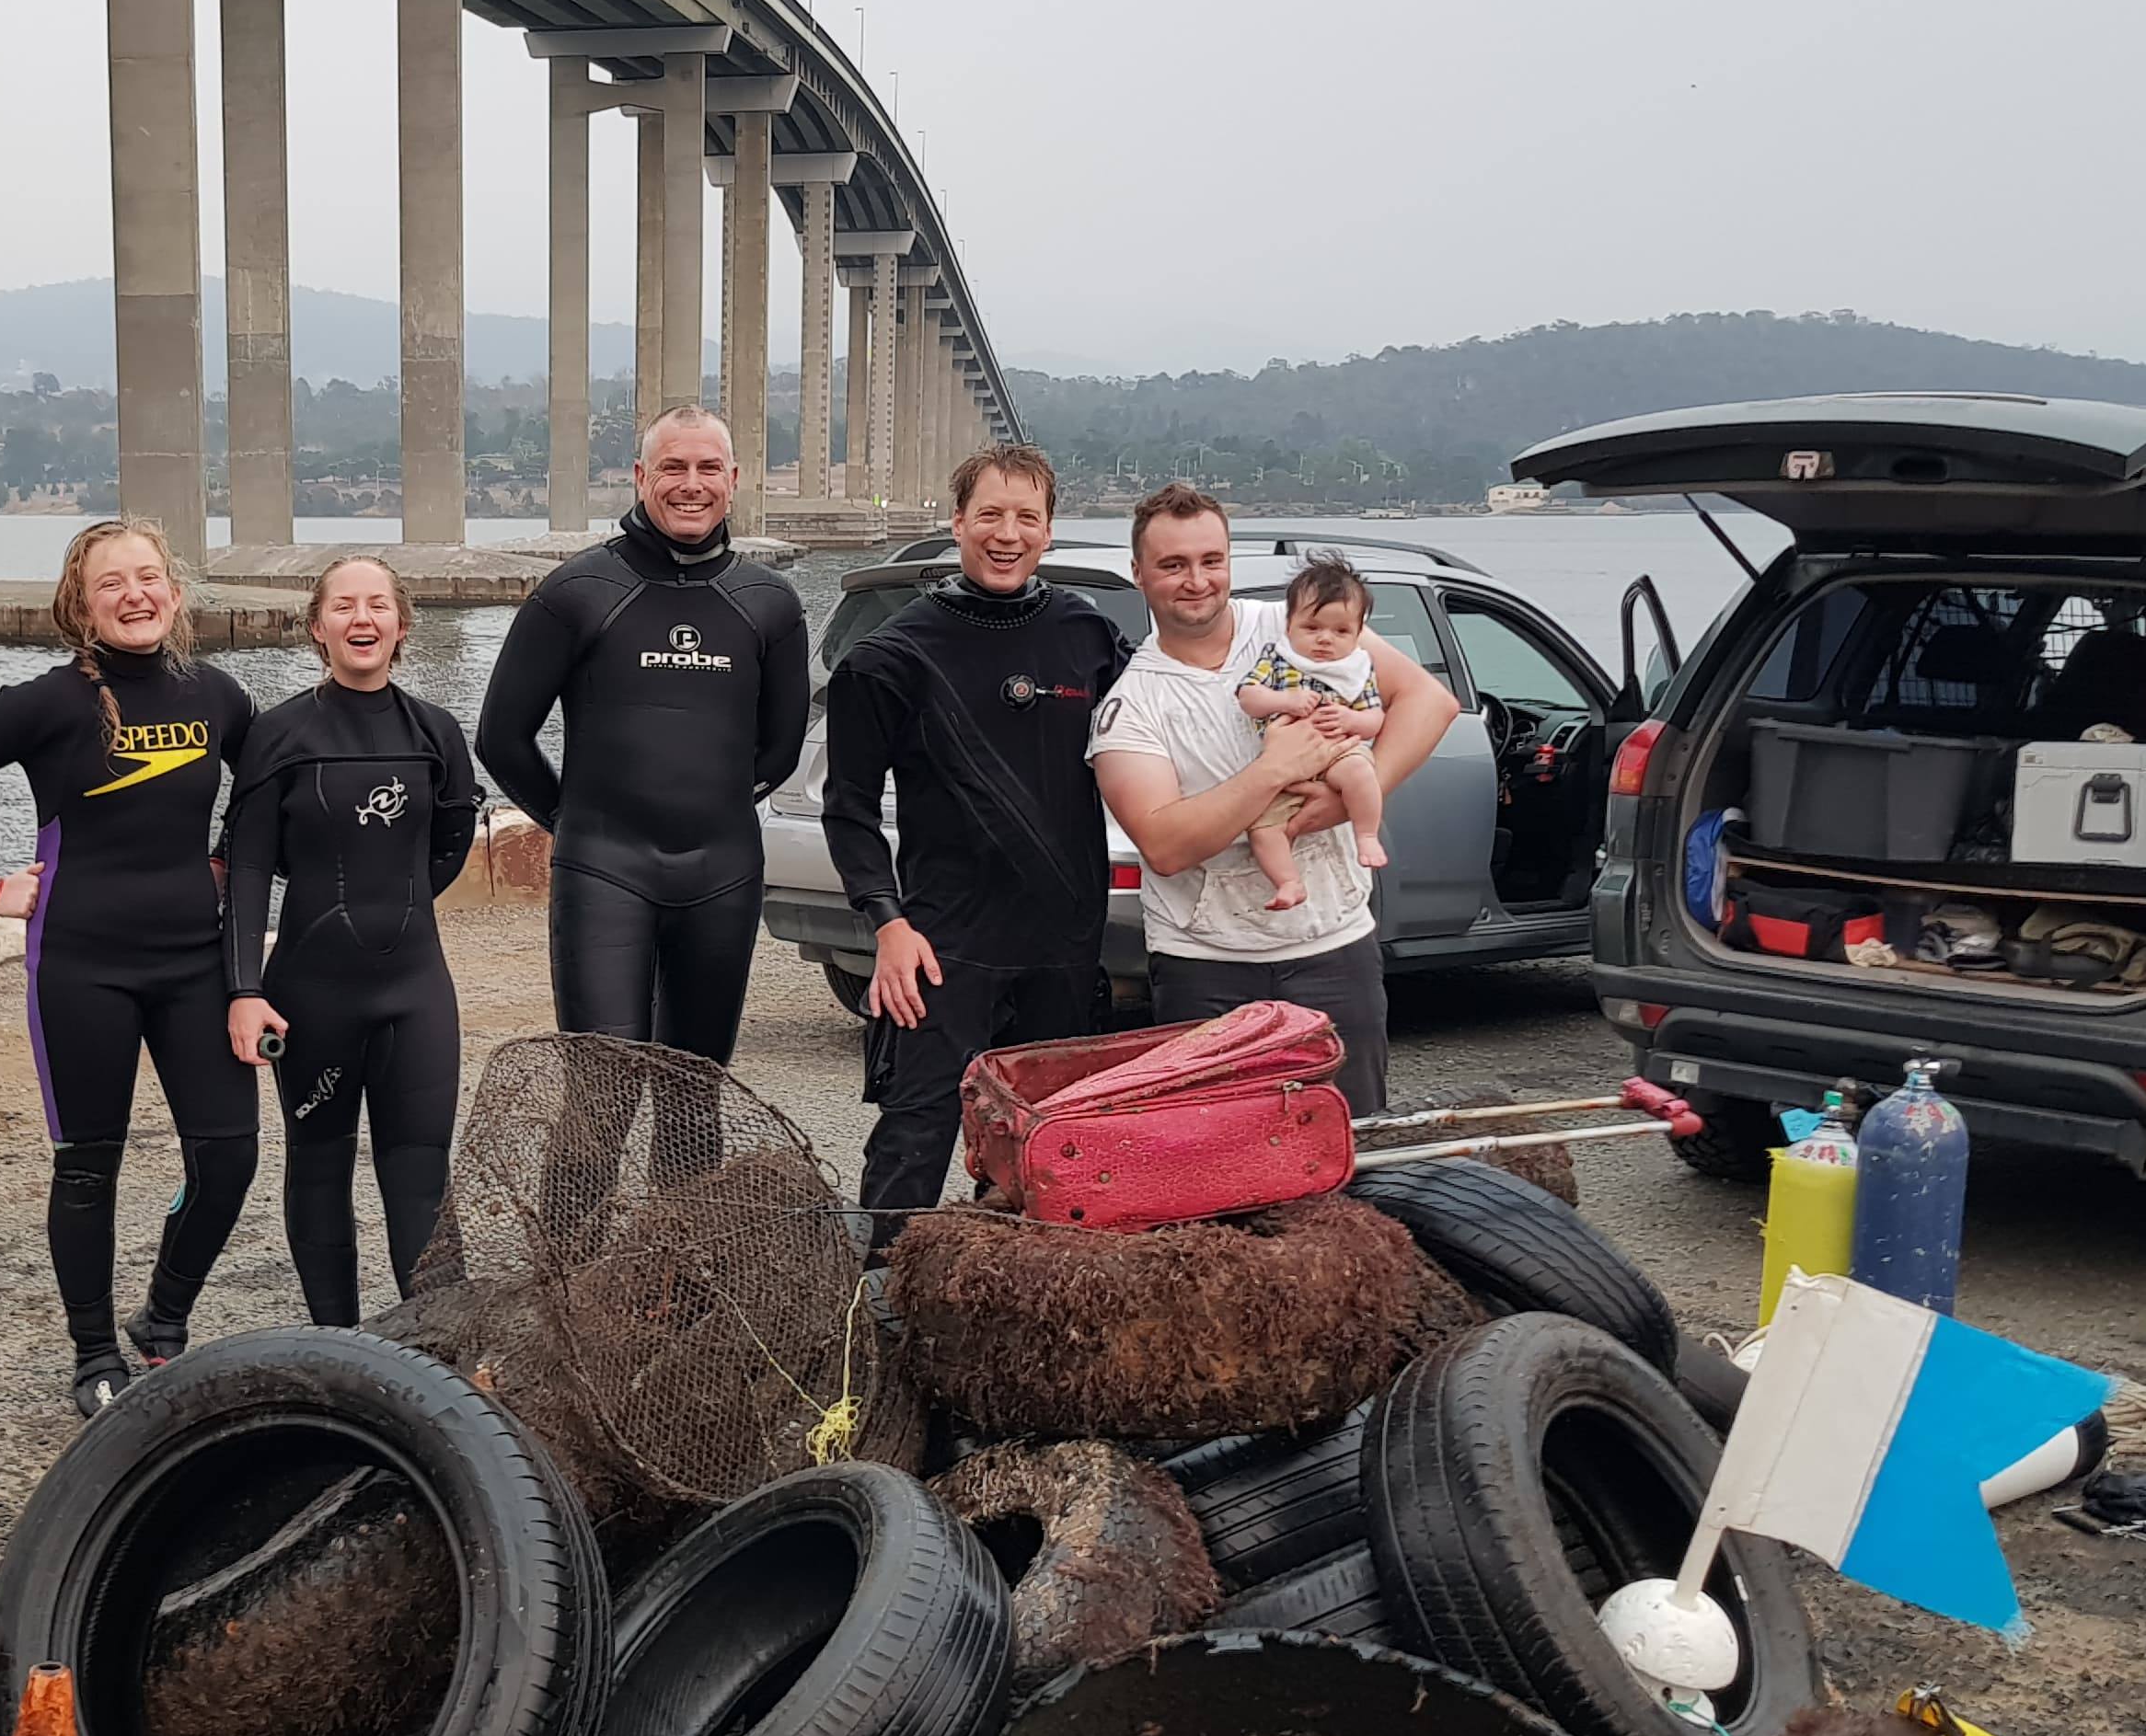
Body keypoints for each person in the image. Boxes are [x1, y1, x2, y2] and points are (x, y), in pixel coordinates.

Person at [0, 518, 256, 1417]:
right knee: (89, 1165)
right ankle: (95, 1355)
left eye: (149, 578)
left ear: (173, 590)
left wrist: (228, 854)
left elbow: (271, 788)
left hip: (195, 963)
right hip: (81, 965)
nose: (135, 595)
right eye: (111, 584)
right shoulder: (45, 702)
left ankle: (163, 1321)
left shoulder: (217, 694)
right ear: (79, 604)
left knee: (231, 1155)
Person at [821, 443, 1129, 1247]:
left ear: (1050, 532)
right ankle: (881, 1302)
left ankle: (1034, 1294)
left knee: (1053, 1144)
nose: (1007, 533)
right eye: (989, 514)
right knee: (915, 1136)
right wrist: (886, 924)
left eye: (1027, 517)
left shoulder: (1088, 637)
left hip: (1064, 943)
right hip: (941, 944)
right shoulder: (892, 657)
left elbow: (1166, 741)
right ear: (957, 523)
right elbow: (848, 810)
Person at [1085, 492, 1462, 1112]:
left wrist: (1347, 802)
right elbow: (1165, 845)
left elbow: (1428, 701)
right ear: (1139, 573)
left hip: (1333, 946)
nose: (1196, 580)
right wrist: (1272, 772)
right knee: (1217, 1161)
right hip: (1203, 964)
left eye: (1212, 559)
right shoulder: (1132, 705)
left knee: (1350, 1143)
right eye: (1173, 564)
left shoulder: (1298, 629)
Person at [477, 404, 809, 1064]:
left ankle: (686, 1177)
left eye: (708, 467)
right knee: (602, 1092)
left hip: (723, 872)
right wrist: (576, 821)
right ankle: (585, 1178)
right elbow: (501, 738)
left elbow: (781, 748)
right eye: (673, 467)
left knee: (696, 1093)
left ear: (734, 478)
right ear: (639, 476)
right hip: (604, 869)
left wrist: (708, 805)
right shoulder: (578, 591)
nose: (692, 483)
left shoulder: (768, 601)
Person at [223, 558, 478, 1328]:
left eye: (377, 605)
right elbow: (248, 870)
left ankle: (440, 1357)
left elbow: (451, 845)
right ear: (317, 627)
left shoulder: (435, 731)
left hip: (414, 992)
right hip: (311, 995)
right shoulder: (279, 734)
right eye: (343, 606)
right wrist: (244, 989)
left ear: (401, 624)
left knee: (422, 1176)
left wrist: (388, 905)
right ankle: (339, 1348)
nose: (361, 620)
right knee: (320, 1169)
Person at [1235, 553, 1390, 908]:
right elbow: (1248, 696)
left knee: (1361, 773)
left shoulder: (1357, 667)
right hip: (1285, 765)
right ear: (1290, 623)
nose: (1325, 640)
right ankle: (1289, 882)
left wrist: (1351, 722)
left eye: (1340, 631)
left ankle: (1366, 835)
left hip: (1338, 752)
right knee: (1262, 827)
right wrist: (1285, 701)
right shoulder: (1278, 659)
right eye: (1313, 627)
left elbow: (1375, 717)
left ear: (1357, 633)